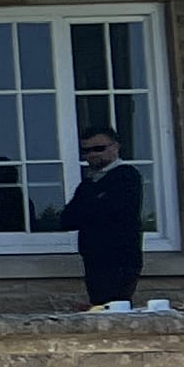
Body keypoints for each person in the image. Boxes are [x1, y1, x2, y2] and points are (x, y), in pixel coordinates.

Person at [61, 125, 148, 308]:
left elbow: (113, 210)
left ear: (115, 147)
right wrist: (94, 202)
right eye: (86, 151)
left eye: (98, 149)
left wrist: (90, 206)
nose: (92, 155)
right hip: (94, 258)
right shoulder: (88, 183)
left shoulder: (127, 176)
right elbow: (67, 219)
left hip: (120, 258)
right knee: (99, 306)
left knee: (116, 306)